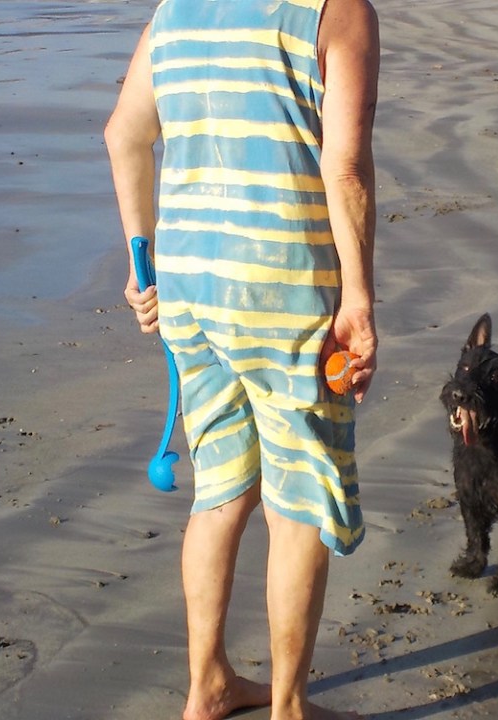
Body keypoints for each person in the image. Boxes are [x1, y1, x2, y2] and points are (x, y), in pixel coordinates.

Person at [105, 0, 379, 718]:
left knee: (221, 489)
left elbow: (124, 134)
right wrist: (357, 298)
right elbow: (346, 167)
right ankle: (288, 707)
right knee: (297, 504)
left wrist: (142, 261)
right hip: (284, 288)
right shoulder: (338, 11)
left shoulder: (174, 11)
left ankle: (208, 686)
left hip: (190, 286)